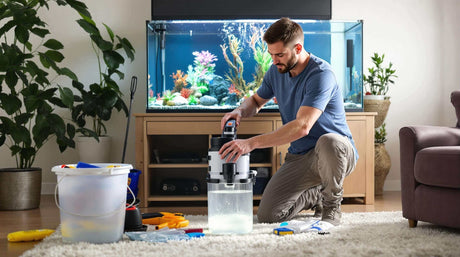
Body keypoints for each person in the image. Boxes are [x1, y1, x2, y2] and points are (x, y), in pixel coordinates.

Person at [219, 17, 358, 226]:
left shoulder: (321, 74)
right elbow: (257, 101)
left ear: (298, 48)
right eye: (271, 54)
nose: (275, 60)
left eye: (280, 54)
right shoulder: (276, 71)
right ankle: (317, 195)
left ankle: (331, 207)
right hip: (300, 156)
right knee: (269, 216)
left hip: (334, 153)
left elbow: (303, 126)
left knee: (329, 141)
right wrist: (239, 111)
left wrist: (250, 143)